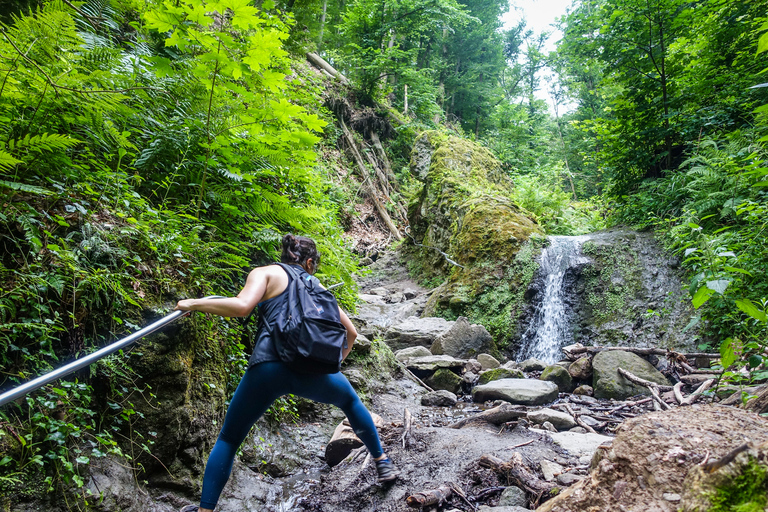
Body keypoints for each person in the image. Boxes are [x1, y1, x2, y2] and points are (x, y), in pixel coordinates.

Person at [174, 234, 398, 512]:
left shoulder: (265, 273)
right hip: (313, 370)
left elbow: (242, 307)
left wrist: (194, 304)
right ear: (308, 262)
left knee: (229, 439)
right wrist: (330, 367)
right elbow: (351, 333)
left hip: (269, 367)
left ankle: (205, 510)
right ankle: (382, 461)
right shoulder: (316, 286)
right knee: (350, 402)